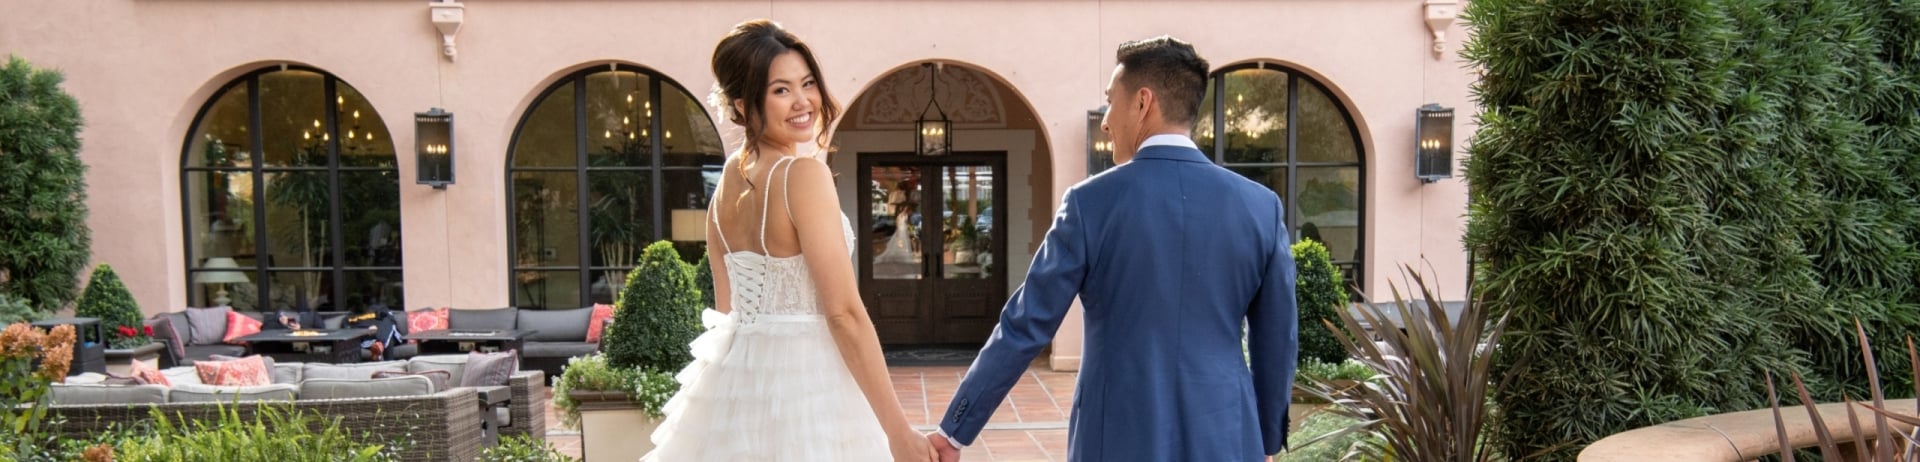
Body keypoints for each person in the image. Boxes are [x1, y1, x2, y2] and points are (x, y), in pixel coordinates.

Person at [925, 36, 1299, 462]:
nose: (1105, 121)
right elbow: (1278, 339)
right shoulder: (1260, 207)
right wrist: (1267, 440)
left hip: (1114, 435)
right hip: (1227, 434)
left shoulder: (1088, 204)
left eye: (1109, 102)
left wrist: (954, 430)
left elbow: (1025, 326)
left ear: (1142, 103)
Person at [639, 19, 934, 462]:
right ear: (743, 103)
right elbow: (844, 314)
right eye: (781, 90)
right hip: (810, 390)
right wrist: (898, 432)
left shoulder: (728, 183)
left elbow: (726, 312)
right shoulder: (803, 174)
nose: (803, 102)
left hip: (735, 390)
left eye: (808, 83)